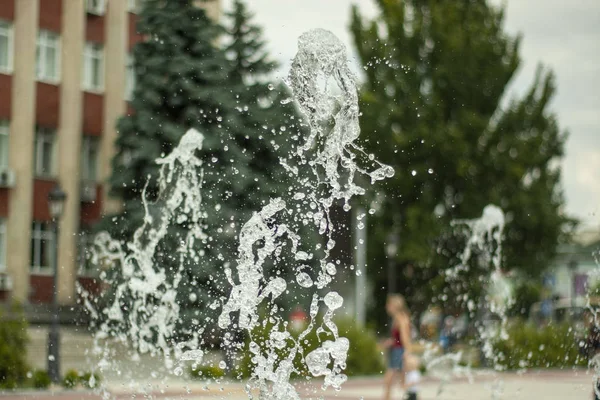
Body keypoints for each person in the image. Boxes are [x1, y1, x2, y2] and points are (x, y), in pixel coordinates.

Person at [382, 294, 413, 400]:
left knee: (390, 378)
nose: (386, 307)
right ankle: (409, 395)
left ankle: (388, 398)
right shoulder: (398, 318)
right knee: (401, 380)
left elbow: (405, 337)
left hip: (399, 351)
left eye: (388, 304)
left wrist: (407, 352)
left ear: (394, 306)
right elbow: (399, 338)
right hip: (397, 350)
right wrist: (391, 342)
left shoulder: (401, 318)